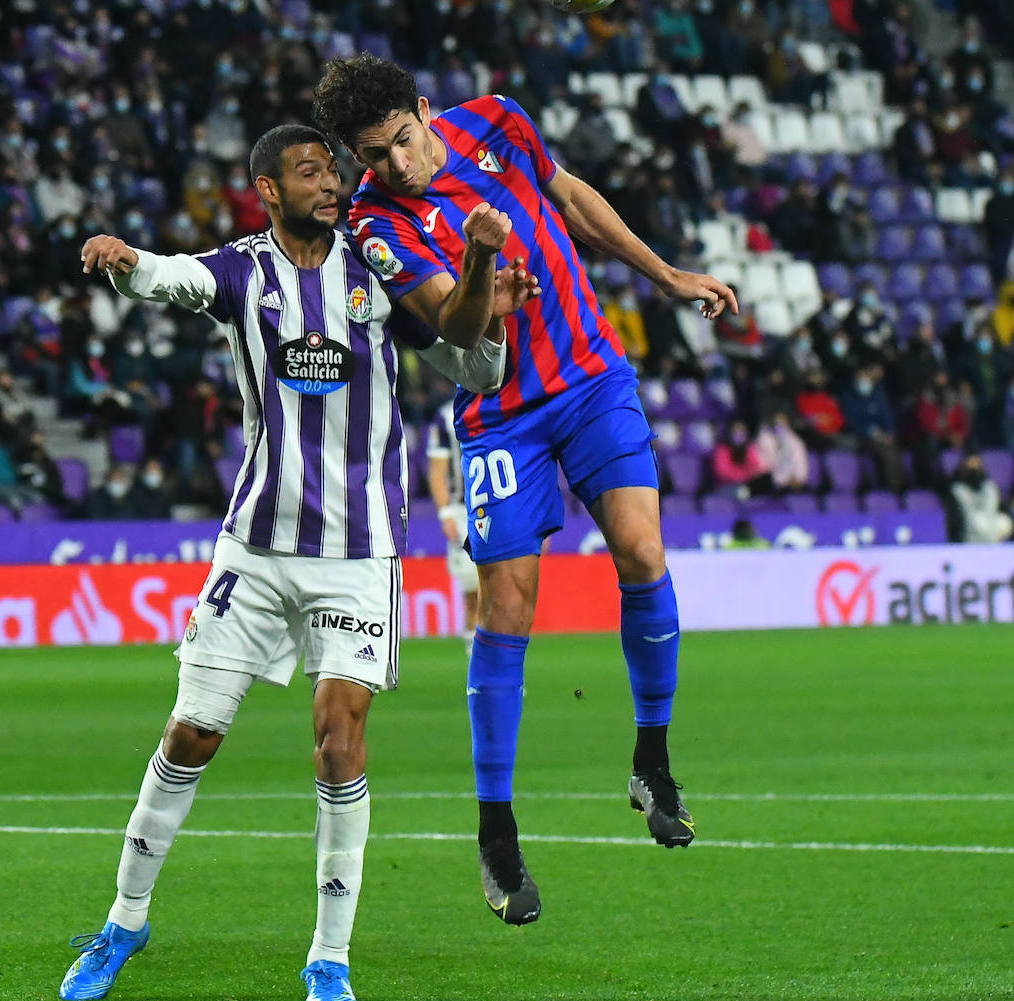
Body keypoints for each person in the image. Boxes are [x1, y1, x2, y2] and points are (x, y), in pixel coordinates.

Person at [61, 124, 535, 1001]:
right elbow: (177, 276)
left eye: (333, 169)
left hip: (357, 555)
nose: (331, 182)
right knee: (191, 732)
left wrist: (489, 298)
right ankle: (124, 921)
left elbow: (468, 360)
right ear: (269, 190)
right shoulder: (243, 270)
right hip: (257, 548)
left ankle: (330, 955)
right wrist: (128, 261)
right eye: (308, 172)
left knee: (337, 744)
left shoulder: (380, 267)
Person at [313, 54, 736, 927]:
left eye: (399, 141)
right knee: (507, 603)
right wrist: (480, 271)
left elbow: (571, 197)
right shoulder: (372, 223)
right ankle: (496, 832)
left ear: (424, 110)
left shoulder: (499, 120)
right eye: (371, 155)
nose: (392, 166)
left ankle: (650, 759)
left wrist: (667, 277)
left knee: (642, 551)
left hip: (590, 379)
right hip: (499, 416)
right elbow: (452, 325)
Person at [425, 398, 478, 657]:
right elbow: (438, 468)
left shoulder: (503, 403)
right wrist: (445, 513)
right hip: (462, 513)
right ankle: (476, 666)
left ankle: (502, 672)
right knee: (473, 593)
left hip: (500, 509)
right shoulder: (447, 416)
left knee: (501, 592)